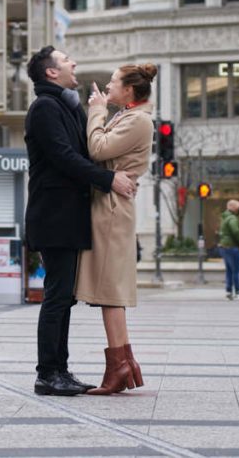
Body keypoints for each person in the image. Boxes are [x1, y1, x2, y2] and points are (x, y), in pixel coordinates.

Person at [24, 46, 138, 397]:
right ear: (51, 73)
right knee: (57, 297)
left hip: (68, 217)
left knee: (63, 297)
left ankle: (59, 369)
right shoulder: (45, 107)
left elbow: (89, 150)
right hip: (54, 217)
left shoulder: (64, 105)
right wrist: (109, 180)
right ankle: (48, 373)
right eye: (66, 60)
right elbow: (64, 157)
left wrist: (98, 114)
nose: (73, 62)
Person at [75, 63, 157, 395]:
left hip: (111, 209)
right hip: (110, 204)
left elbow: (98, 149)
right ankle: (124, 363)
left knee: (110, 293)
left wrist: (96, 111)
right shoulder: (129, 116)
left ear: (129, 90)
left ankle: (119, 367)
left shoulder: (138, 120)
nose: (108, 87)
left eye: (113, 82)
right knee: (110, 294)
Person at [218, 199, 239, 300]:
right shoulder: (232, 218)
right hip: (232, 247)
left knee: (229, 270)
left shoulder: (224, 218)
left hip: (224, 247)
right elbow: (236, 232)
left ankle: (229, 292)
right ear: (235, 209)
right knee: (236, 271)